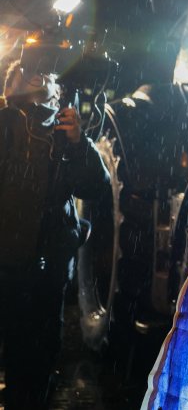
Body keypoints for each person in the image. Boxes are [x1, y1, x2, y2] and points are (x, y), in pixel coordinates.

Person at [0, 61, 110, 409]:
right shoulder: (4, 125)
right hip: (5, 264)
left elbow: (95, 187)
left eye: (48, 75)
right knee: (15, 347)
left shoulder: (67, 135)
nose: (40, 75)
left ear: (59, 93)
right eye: (30, 70)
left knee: (41, 353)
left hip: (46, 268)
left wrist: (78, 142)